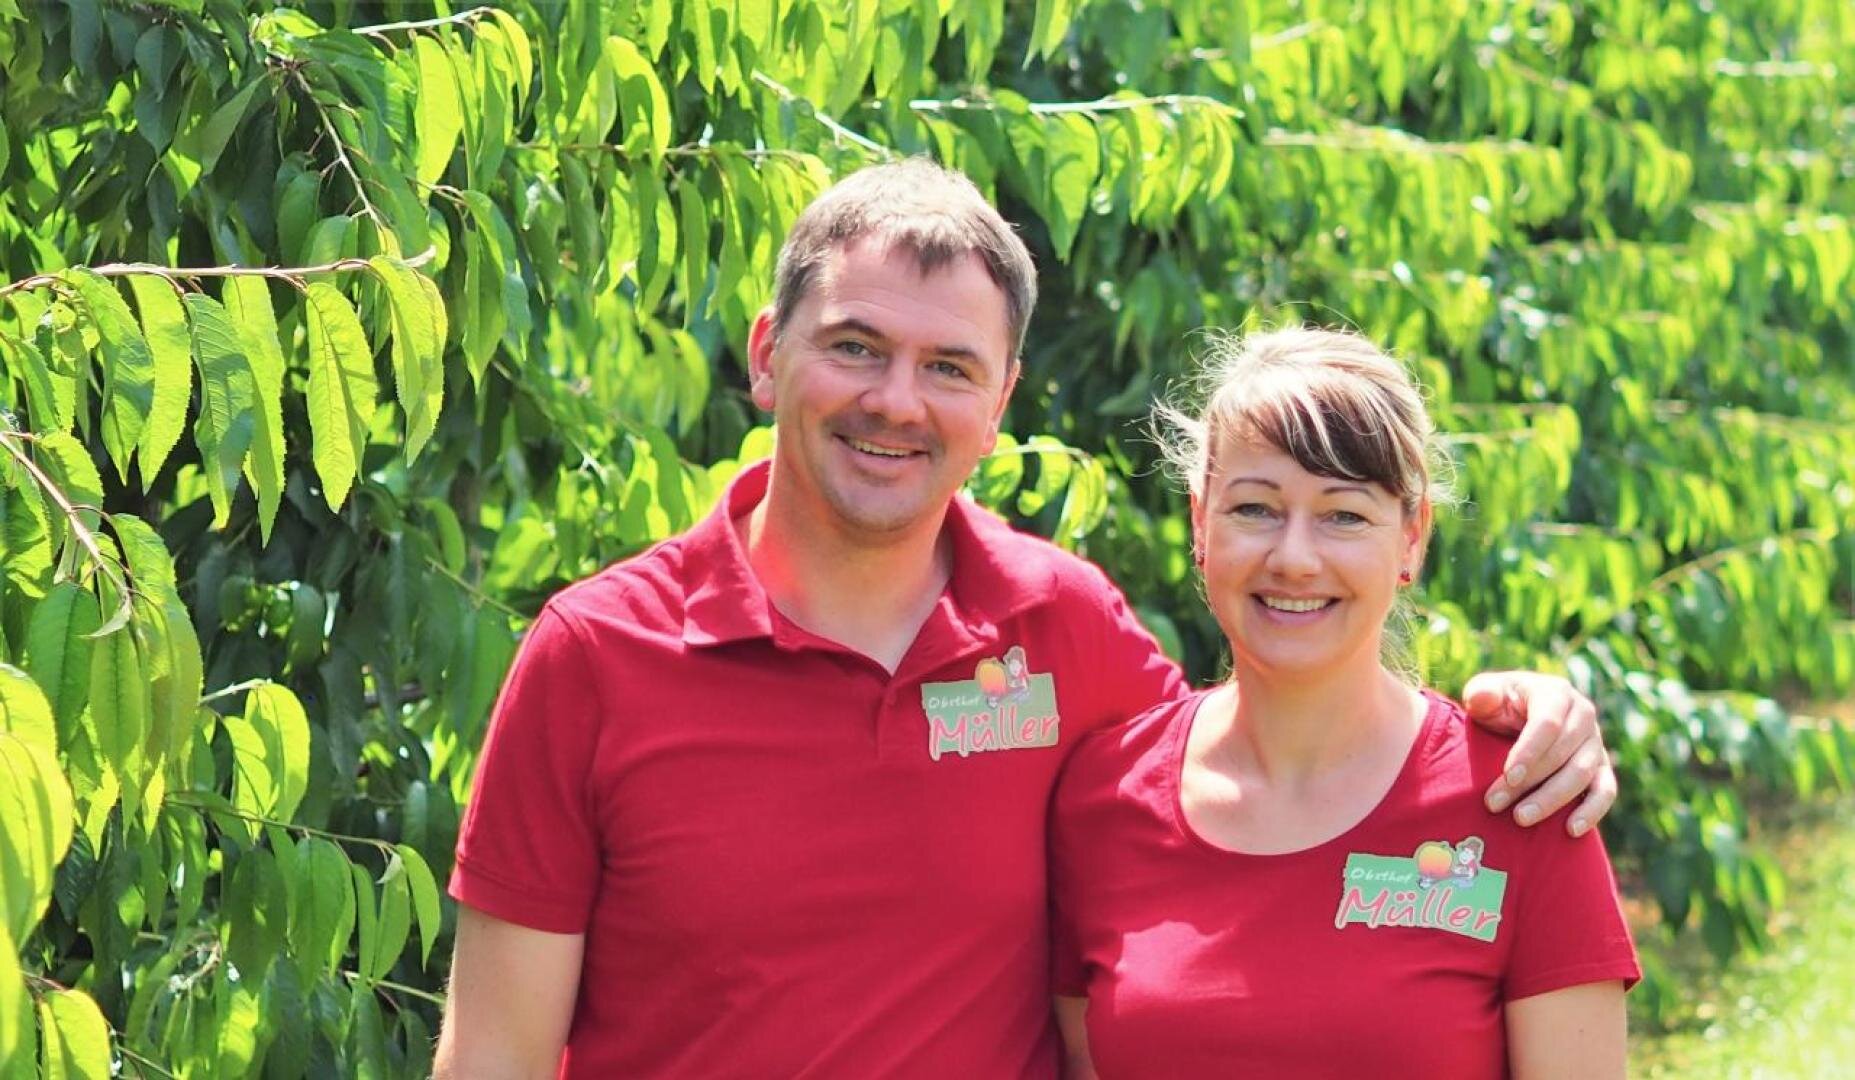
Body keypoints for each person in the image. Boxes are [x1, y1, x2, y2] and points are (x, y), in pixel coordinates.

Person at [432, 160, 1619, 1078]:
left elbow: (1280, 745)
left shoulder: (1059, 627)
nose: (896, 401)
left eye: (949, 367)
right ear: (765, 354)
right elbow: (492, 1057)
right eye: (855, 347)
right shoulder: (598, 657)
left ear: (999, 401)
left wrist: (1532, 711)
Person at [1050, 328, 1638, 1079]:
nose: (1294, 558)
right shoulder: (1100, 800)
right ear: (1200, 521)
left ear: (1411, 538)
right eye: (1255, 509)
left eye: (1345, 515)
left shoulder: (1523, 797)